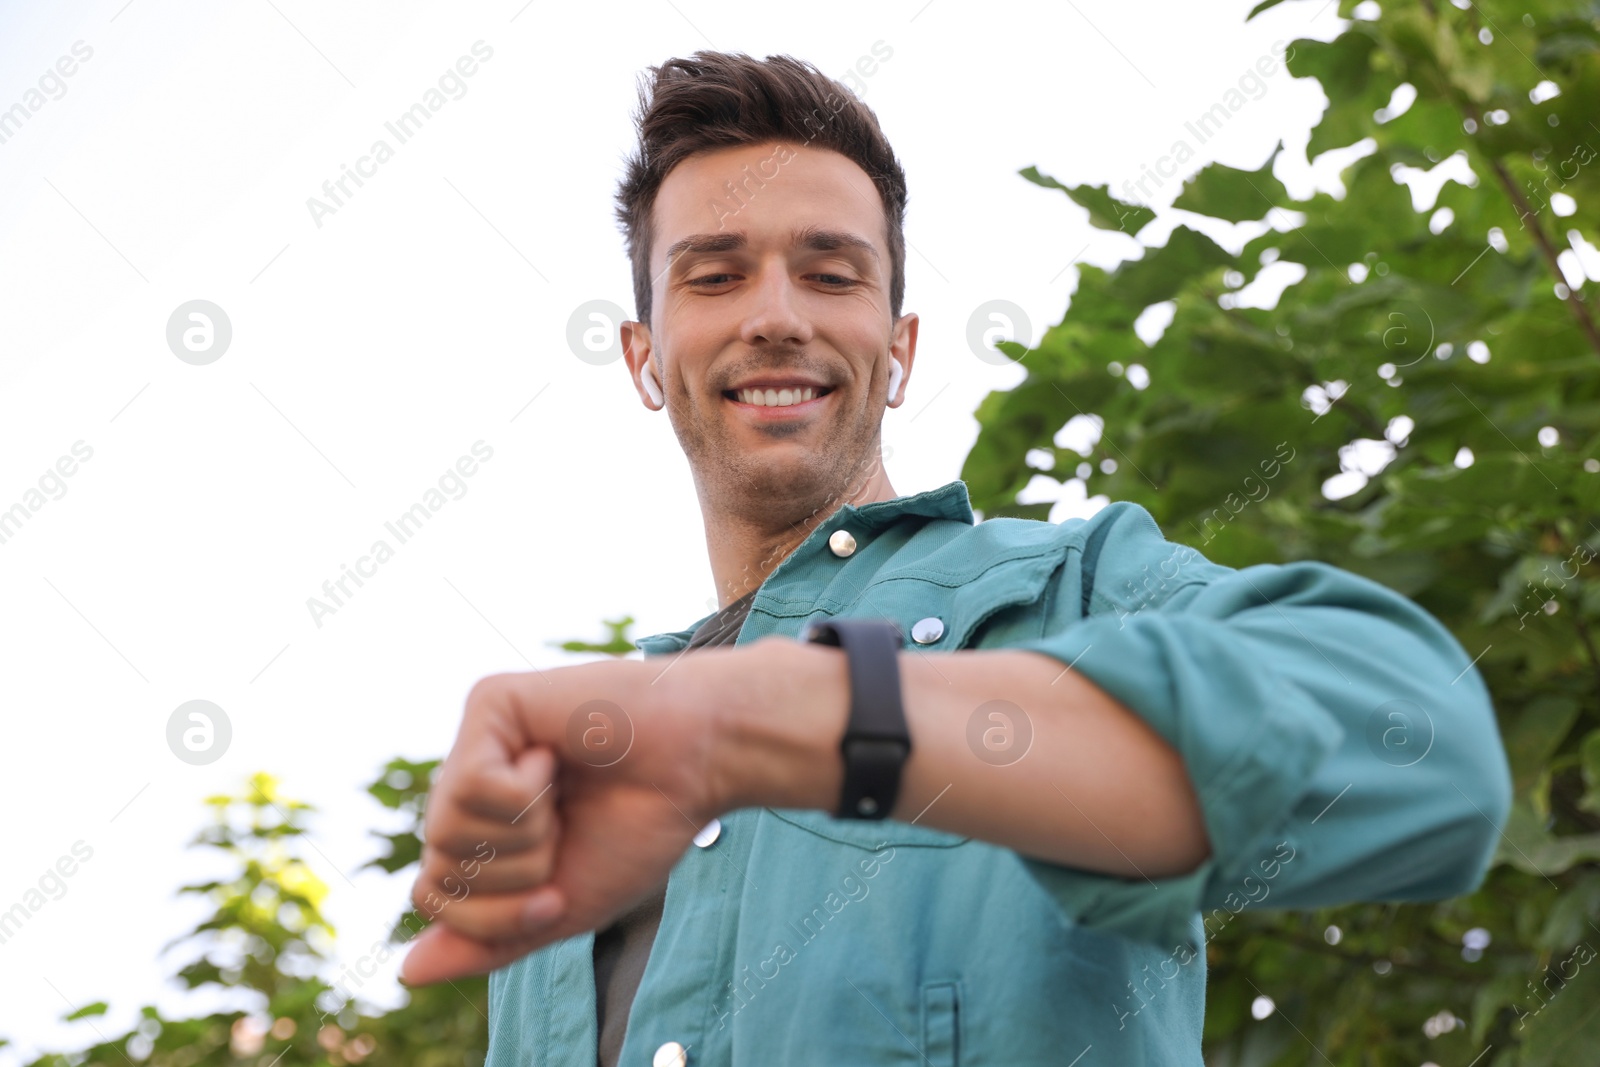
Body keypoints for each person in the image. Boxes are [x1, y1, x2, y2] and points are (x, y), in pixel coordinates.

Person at [398, 50, 1511, 1066]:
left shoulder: (1080, 595)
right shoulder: (575, 793)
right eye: (714, 274)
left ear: (900, 350)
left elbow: (1429, 751)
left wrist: (778, 720)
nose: (776, 315)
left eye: (832, 274)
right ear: (643, 356)